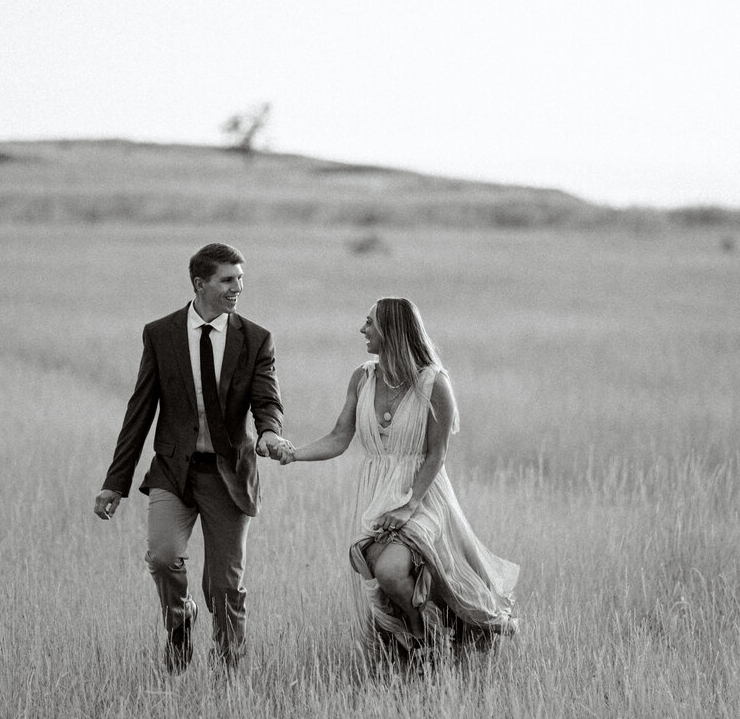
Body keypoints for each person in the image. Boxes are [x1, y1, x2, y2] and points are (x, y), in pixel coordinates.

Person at [273, 298, 518, 661]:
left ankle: (426, 635)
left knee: (390, 570)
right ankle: (420, 648)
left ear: (392, 330)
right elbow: (340, 436)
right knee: (378, 571)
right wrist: (294, 455)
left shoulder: (434, 384)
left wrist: (409, 505)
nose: (362, 329)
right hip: (376, 494)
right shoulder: (363, 377)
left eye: (369, 322)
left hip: (422, 495)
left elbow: (437, 454)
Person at [93, 243, 288, 672]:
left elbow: (266, 400)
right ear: (200, 284)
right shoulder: (160, 334)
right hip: (173, 471)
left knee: (224, 588)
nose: (238, 287)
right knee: (162, 557)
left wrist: (270, 433)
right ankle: (180, 620)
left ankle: (227, 677)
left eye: (240, 277)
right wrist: (116, 481)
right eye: (227, 280)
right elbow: (140, 411)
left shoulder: (256, 339)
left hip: (229, 475)